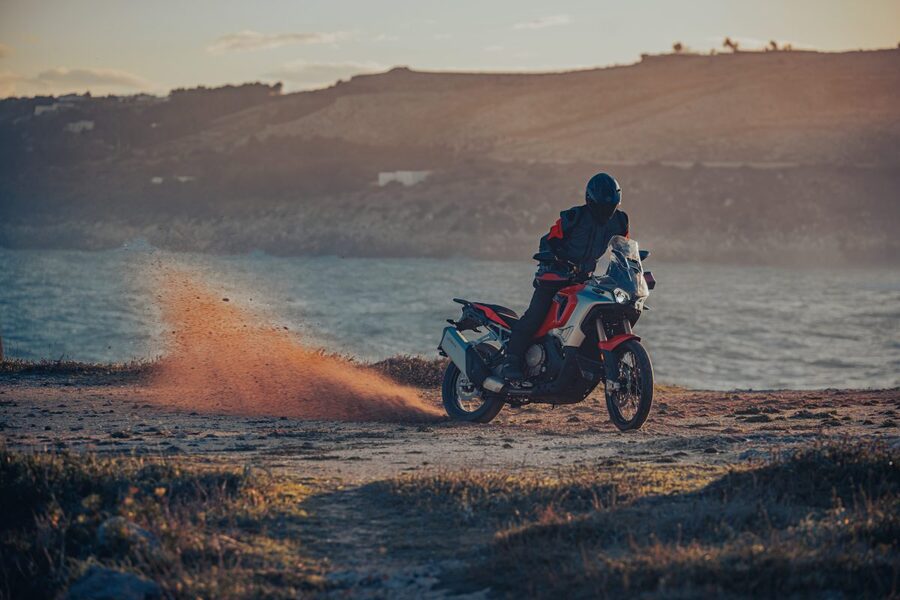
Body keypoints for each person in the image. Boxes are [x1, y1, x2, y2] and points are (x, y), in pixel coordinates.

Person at [498, 172, 630, 382]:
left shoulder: (620, 221)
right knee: (535, 316)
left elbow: (623, 248)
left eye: (611, 206)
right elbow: (548, 240)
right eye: (602, 206)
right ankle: (510, 361)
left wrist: (630, 265)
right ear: (590, 201)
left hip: (583, 279)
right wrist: (551, 259)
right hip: (555, 275)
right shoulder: (574, 217)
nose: (606, 211)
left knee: (597, 315)